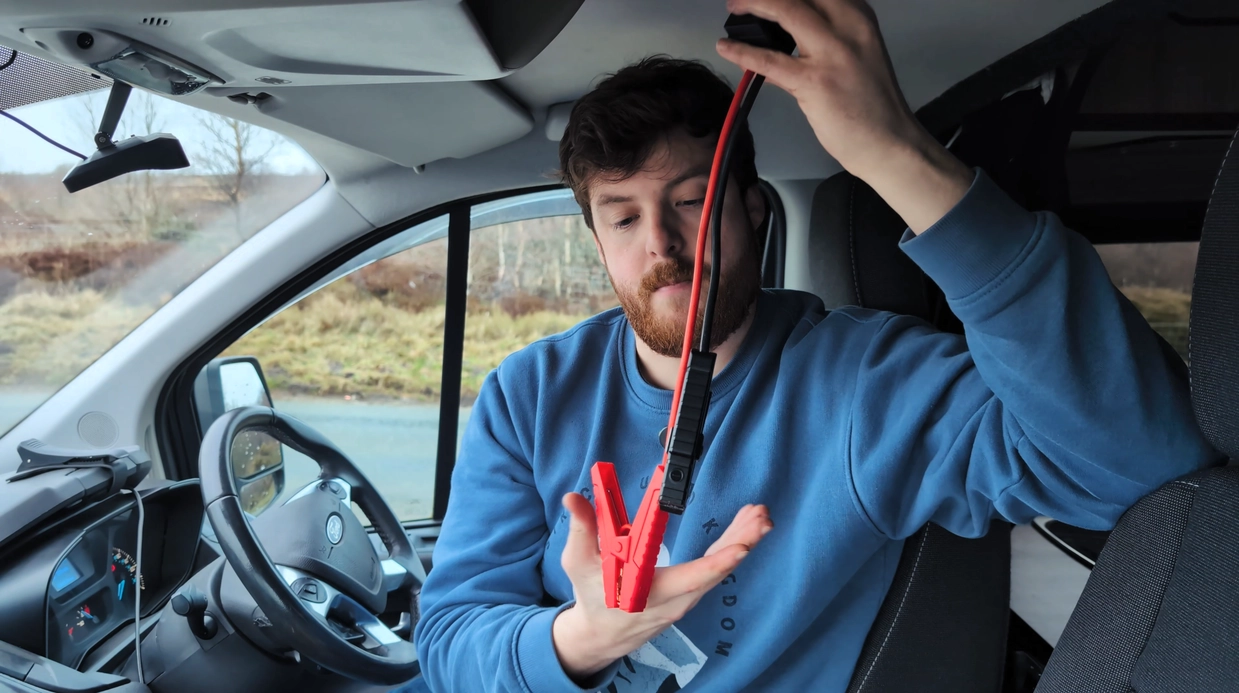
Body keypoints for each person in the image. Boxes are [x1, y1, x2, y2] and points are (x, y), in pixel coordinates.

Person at [409, 0, 1220, 690]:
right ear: (597, 242)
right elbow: (447, 642)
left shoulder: (867, 383)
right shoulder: (528, 393)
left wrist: (895, 152)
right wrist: (581, 639)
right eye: (622, 217)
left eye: (690, 201)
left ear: (753, 211)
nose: (659, 243)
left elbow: (1139, 466)